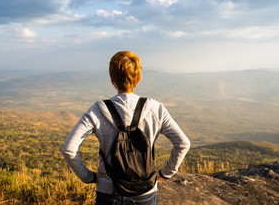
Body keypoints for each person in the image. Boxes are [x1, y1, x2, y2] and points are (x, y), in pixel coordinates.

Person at [62, 51, 190, 205]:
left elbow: (69, 149)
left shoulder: (97, 110)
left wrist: (89, 177)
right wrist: (164, 173)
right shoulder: (156, 109)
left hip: (109, 192)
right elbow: (183, 143)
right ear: (139, 78)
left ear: (111, 78)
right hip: (146, 192)